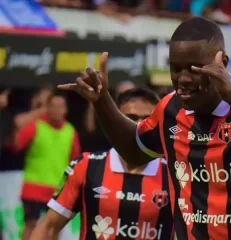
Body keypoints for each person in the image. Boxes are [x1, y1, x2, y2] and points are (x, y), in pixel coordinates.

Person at [59, 17, 231, 239]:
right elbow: (134, 151)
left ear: (222, 63)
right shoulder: (169, 110)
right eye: (176, 68)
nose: (183, 79)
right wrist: (102, 102)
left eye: (195, 69)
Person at [30, 88, 174, 240]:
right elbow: (48, 227)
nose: (138, 126)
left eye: (147, 119)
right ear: (115, 123)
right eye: (130, 118)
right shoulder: (87, 166)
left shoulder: (174, 174)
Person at [7, 92, 81, 240]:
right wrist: (15, 123)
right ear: (47, 108)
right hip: (33, 188)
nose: (56, 110)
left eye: (60, 106)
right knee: (31, 226)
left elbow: (77, 162)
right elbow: (14, 145)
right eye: (52, 106)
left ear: (66, 109)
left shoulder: (71, 132)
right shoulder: (36, 126)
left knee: (54, 229)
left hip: (57, 190)